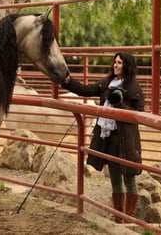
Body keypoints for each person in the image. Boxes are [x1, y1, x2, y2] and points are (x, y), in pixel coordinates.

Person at [62, 52, 144, 223]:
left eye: (120, 63)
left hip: (127, 139)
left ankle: (128, 219)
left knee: (130, 178)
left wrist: (119, 104)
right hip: (110, 138)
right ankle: (118, 218)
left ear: (127, 65)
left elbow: (139, 114)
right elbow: (86, 90)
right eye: (114, 62)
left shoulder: (134, 87)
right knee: (115, 180)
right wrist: (67, 81)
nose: (115, 65)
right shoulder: (107, 83)